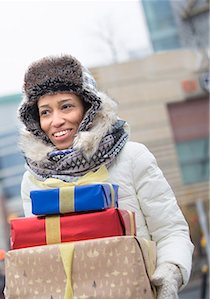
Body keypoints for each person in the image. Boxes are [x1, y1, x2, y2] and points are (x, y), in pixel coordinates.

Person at [17, 54, 194, 299]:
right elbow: (45, 254)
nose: (56, 121)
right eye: (45, 112)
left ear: (88, 107)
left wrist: (171, 270)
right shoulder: (33, 181)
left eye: (66, 106)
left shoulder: (132, 157)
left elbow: (170, 230)